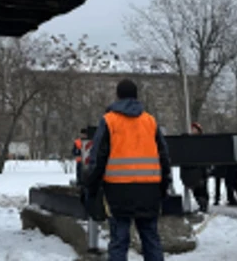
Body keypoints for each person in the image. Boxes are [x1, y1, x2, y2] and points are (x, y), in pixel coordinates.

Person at [84, 79, 171, 261]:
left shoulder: (109, 120)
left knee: (119, 240)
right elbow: (164, 156)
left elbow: (98, 156)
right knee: (151, 238)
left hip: (118, 191)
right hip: (149, 190)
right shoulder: (150, 121)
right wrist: (164, 186)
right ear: (136, 96)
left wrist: (91, 186)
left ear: (118, 96)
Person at [179, 122, 210, 213]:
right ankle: (201, 204)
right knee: (196, 189)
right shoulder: (191, 141)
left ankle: (204, 205)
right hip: (194, 170)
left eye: (195, 129)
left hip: (200, 169)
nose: (193, 131)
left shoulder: (201, 141)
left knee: (201, 188)